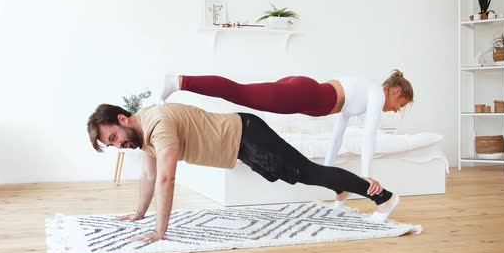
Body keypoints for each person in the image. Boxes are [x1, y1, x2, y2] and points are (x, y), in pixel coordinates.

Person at [87, 103, 400, 242]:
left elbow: (167, 179)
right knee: (292, 174)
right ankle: (339, 187)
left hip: (247, 135)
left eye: (114, 137)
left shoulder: (158, 126)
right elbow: (149, 177)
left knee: (305, 172)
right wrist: (140, 214)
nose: (118, 145)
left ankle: (382, 196)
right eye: (111, 144)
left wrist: (160, 231)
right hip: (240, 143)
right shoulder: (143, 138)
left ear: (123, 119)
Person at [157, 70, 413, 209]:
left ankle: (180, 81)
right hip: (307, 96)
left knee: (242, 92)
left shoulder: (366, 91)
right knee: (241, 92)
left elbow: (339, 130)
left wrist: (330, 170)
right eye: (399, 104)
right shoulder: (377, 94)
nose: (395, 109)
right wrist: (367, 175)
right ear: (396, 91)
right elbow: (369, 135)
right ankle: (179, 81)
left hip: (307, 94)